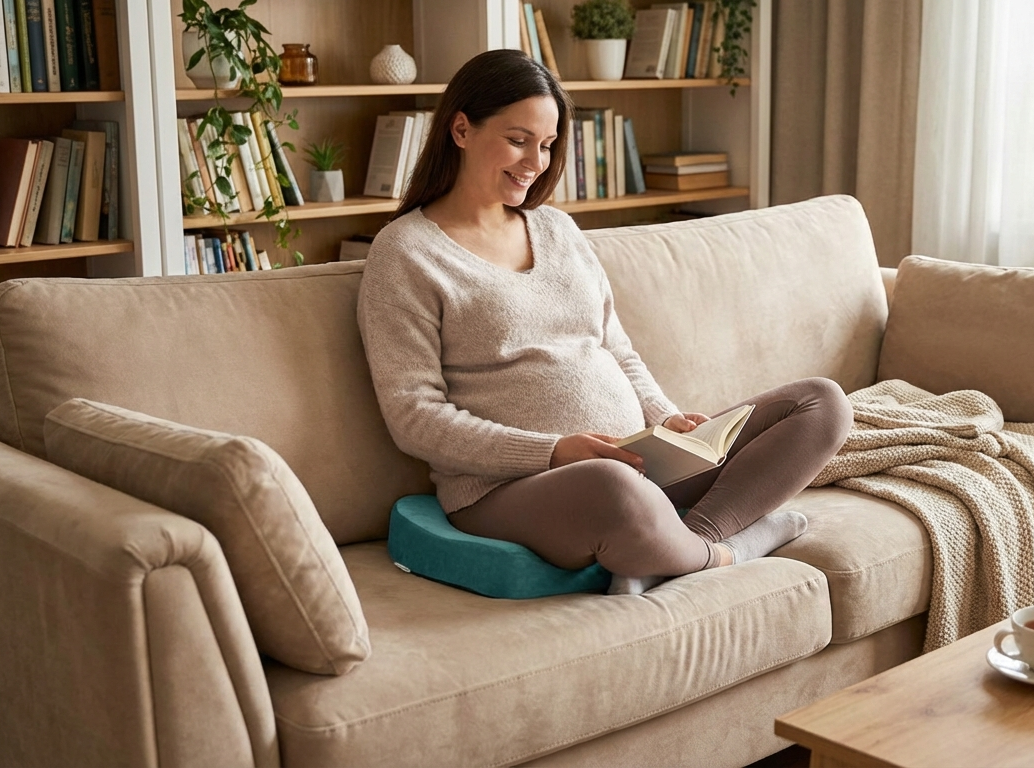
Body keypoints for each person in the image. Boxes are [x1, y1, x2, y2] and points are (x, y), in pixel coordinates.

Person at [359, 49, 852, 594]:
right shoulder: (405, 253)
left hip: (641, 459)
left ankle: (671, 543)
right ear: (461, 129)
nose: (536, 162)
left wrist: (666, 421)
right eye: (518, 140)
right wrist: (552, 450)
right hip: (514, 489)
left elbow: (617, 350)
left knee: (820, 403)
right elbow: (414, 416)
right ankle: (729, 548)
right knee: (613, 487)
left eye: (546, 145)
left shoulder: (558, 231)